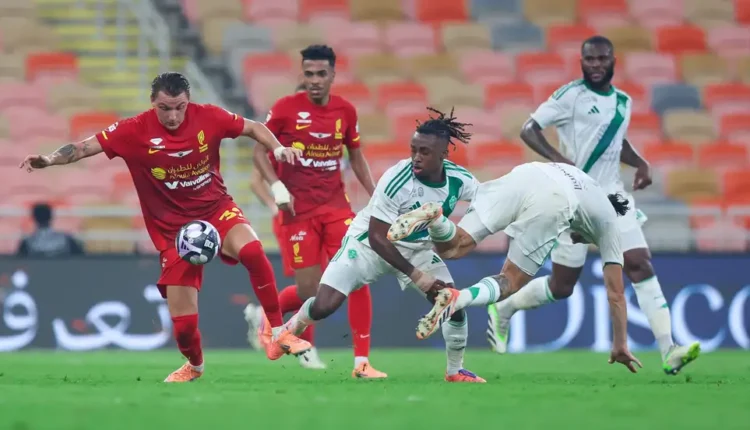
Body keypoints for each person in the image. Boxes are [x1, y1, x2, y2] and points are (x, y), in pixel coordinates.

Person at [18, 72, 311, 382]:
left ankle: (277, 331)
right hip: (173, 232)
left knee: (252, 250)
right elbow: (82, 147)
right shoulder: (133, 130)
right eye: (165, 108)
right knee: (184, 328)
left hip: (216, 210)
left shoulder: (209, 116)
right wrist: (49, 159)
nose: (173, 116)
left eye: (179, 107)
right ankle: (194, 365)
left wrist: (278, 148)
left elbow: (253, 127)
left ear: (189, 102)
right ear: (152, 103)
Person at [491, 35, 698, 375]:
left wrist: (640, 163)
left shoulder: (623, 102)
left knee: (638, 263)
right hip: (574, 199)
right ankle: (506, 308)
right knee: (562, 286)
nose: (596, 65)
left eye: (602, 59)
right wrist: (560, 161)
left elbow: (616, 143)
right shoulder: (570, 96)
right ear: (582, 62)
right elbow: (529, 129)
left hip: (613, 197)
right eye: (590, 59)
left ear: (613, 61)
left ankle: (669, 349)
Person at [281, 107, 487, 382]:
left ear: (443, 155)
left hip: (416, 249)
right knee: (324, 306)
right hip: (367, 245)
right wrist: (417, 276)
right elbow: (378, 236)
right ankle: (289, 329)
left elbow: (489, 204)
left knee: (452, 303)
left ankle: (455, 371)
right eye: (413, 150)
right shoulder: (396, 179)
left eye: (425, 152)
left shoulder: (460, 180)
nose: (416, 157)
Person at [389, 161, 643, 373]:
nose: (578, 240)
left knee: (455, 247)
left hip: (525, 174)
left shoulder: (587, 181)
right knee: (510, 280)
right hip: (554, 200)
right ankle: (458, 298)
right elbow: (616, 294)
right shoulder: (610, 224)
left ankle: (436, 219)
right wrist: (620, 343)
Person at [249, 45, 383, 378]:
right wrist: (276, 188)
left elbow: (356, 156)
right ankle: (270, 319)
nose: (315, 80)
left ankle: (362, 362)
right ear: (302, 74)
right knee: (311, 292)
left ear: (333, 75)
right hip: (298, 213)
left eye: (321, 74)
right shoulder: (285, 109)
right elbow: (258, 153)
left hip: (336, 208)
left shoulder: (345, 111)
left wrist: (377, 196)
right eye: (308, 74)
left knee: (356, 276)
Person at [16, 202, 85, 257]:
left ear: (33, 218)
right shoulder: (66, 239)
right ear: (51, 217)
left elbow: (20, 262)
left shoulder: (27, 242)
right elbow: (81, 259)